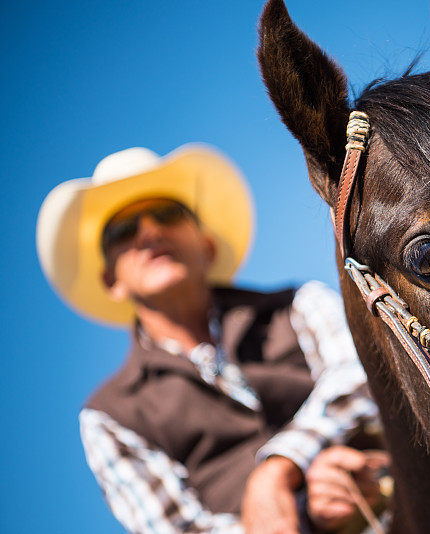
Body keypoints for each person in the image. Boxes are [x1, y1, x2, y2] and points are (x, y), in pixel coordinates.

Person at [36, 144, 389, 533]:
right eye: (124, 230)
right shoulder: (110, 416)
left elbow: (365, 373)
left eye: (168, 213)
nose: (150, 231)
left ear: (206, 246)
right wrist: (303, 509)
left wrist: (280, 467)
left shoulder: (300, 305)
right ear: (111, 281)